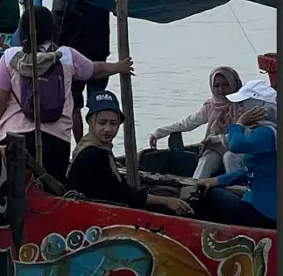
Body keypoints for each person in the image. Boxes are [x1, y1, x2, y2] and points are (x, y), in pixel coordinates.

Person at [0, 6, 133, 182]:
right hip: (56, 141)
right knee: (52, 191)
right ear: (52, 29)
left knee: (7, 189)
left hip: (13, 138)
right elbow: (94, 71)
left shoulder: (9, 57)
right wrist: (118, 67)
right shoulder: (65, 55)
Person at [67, 90, 194, 216]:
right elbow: (123, 195)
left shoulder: (92, 146)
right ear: (91, 122)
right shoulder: (93, 154)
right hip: (93, 214)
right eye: (102, 122)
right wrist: (166, 201)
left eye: (113, 123)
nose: (108, 129)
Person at [50, 0, 113, 143]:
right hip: (99, 50)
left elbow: (57, 15)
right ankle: (98, 143)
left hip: (73, 51)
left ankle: (81, 145)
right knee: (97, 100)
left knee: (74, 104)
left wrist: (53, 46)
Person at [194, 80, 276, 230]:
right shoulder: (266, 130)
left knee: (211, 197)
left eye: (243, 104)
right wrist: (215, 180)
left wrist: (239, 123)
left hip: (263, 212)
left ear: (258, 106)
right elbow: (249, 172)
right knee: (213, 189)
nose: (240, 107)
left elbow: (235, 145)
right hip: (260, 206)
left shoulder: (267, 133)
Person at [149, 66, 245, 178]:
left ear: (234, 84)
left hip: (239, 151)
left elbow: (244, 135)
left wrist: (215, 139)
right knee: (206, 159)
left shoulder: (243, 106)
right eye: (216, 85)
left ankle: (238, 190)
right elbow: (187, 123)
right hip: (217, 149)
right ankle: (194, 190)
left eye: (225, 85)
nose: (220, 89)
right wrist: (159, 132)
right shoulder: (210, 106)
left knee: (229, 157)